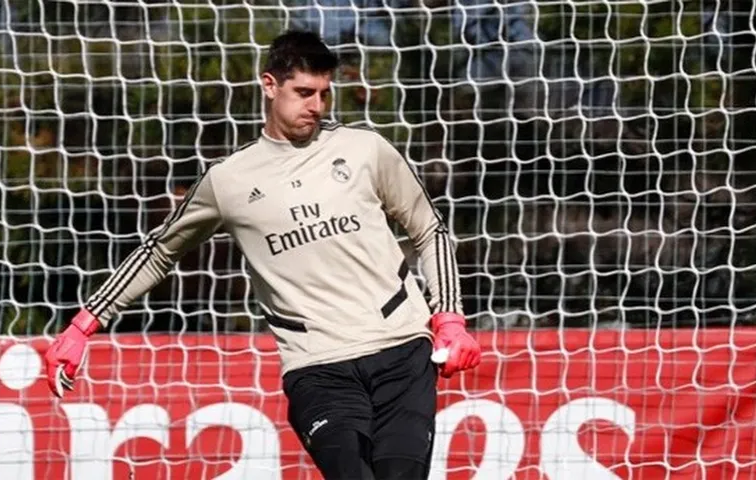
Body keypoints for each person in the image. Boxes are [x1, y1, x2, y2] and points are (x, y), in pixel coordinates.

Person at [44, 30, 481, 480]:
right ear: (269, 85)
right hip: (317, 365)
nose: (316, 106)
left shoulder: (366, 150)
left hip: (402, 351)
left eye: (324, 94)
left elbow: (429, 229)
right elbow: (159, 251)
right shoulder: (228, 180)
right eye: (303, 93)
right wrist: (83, 324)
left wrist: (449, 317)